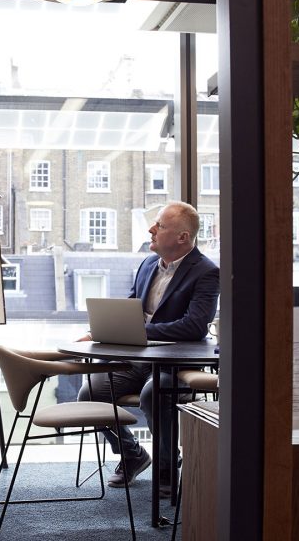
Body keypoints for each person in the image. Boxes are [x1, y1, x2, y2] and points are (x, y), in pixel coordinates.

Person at [77, 201, 220, 493]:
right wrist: (102, 330)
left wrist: (141, 330)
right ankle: (132, 454)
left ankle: (168, 465)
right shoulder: (146, 265)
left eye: (160, 225)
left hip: (175, 363)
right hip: (138, 359)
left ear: (182, 237)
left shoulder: (206, 272)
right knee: (90, 393)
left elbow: (193, 326)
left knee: (153, 394)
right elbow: (130, 309)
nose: (151, 229)